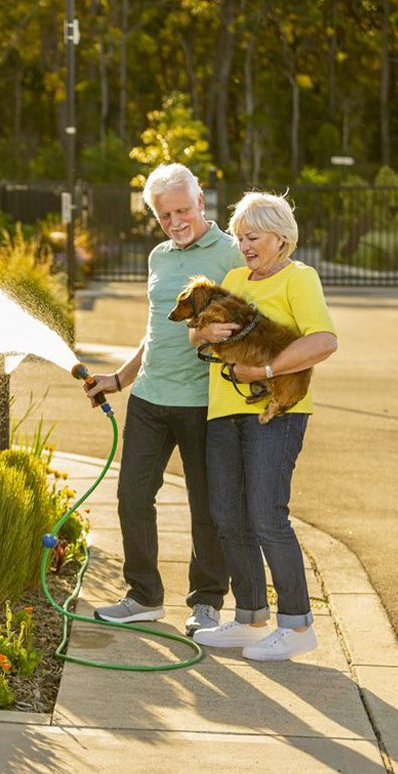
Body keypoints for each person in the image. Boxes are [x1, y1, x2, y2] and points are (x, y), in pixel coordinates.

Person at [84, 164, 244, 635]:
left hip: (205, 401)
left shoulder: (234, 254)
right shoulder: (158, 257)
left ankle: (208, 601)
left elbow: (248, 322)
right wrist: (119, 378)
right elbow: (155, 333)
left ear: (201, 201)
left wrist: (216, 334)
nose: (175, 221)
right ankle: (143, 596)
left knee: (206, 505)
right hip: (151, 397)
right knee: (132, 495)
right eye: (164, 214)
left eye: (182, 210)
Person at [188, 191, 338, 661]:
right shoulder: (233, 278)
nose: (244, 246)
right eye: (239, 238)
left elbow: (323, 340)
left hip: (277, 411)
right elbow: (198, 329)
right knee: (228, 516)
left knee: (266, 515)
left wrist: (265, 372)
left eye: (252, 237)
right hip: (223, 411)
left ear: (280, 237)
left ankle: (297, 626)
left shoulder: (300, 278)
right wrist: (202, 332)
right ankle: (251, 617)